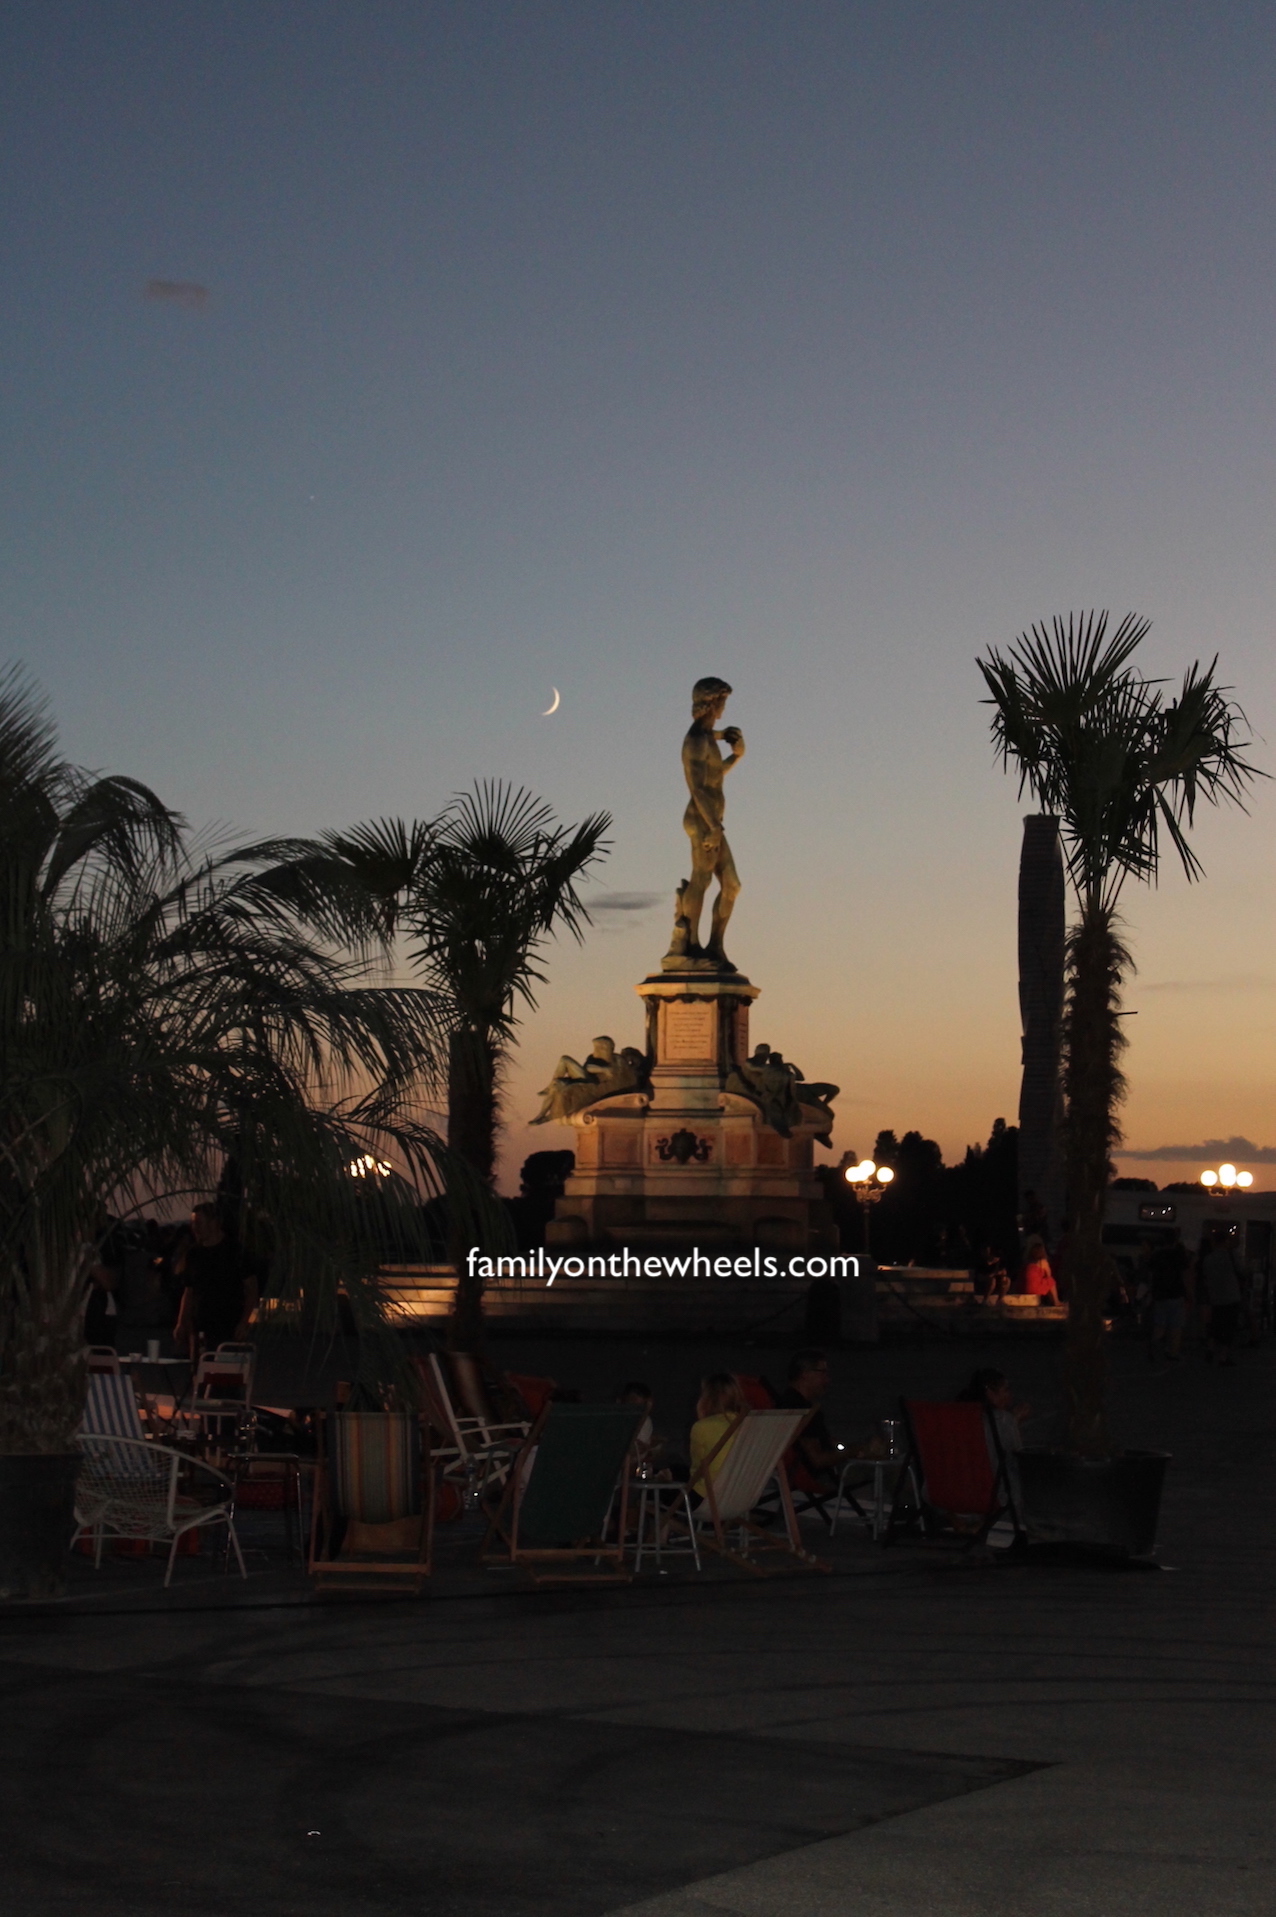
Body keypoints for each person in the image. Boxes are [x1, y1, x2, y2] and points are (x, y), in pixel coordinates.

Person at [173, 1203, 257, 1358]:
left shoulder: (235, 1251)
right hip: (200, 1326)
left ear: (214, 1223)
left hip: (228, 1325)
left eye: (199, 1223)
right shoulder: (194, 1254)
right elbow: (189, 1291)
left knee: (224, 1373)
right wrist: (181, 1322)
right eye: (193, 1223)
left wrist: (245, 1321)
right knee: (199, 1371)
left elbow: (251, 1289)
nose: (195, 1228)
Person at [777, 1349, 841, 1490]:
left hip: (794, 1473)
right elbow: (817, 1460)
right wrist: (858, 1451)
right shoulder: (803, 1412)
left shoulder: (784, 1403)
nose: (827, 1380)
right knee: (888, 1470)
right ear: (805, 1374)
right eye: (823, 1373)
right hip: (822, 1478)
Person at [689, 1373, 746, 1490]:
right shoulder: (747, 1424)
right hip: (741, 1493)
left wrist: (701, 1418)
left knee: (658, 1490)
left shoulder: (702, 1427)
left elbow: (697, 1470)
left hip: (708, 1496)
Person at [1146, 1229, 1192, 1362]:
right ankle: (1173, 1352)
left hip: (1160, 1294)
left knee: (1159, 1324)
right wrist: (1189, 1292)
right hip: (1176, 1293)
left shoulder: (1156, 1255)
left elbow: (1151, 1275)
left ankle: (1154, 1349)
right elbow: (1185, 1275)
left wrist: (1151, 1291)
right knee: (1176, 1326)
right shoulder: (1179, 1255)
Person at [1199, 1227, 1243, 1365]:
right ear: (1225, 1241)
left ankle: (1210, 1350)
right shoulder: (1231, 1255)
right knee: (1229, 1327)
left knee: (1214, 1326)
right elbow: (1241, 1270)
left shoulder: (1208, 1259)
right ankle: (1223, 1357)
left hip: (1215, 1297)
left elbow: (1205, 1276)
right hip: (1231, 1296)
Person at [1021, 1235, 1059, 1305]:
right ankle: (1056, 1302)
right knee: (1051, 1281)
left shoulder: (1028, 1262)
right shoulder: (1042, 1262)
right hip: (1034, 1288)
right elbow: (1048, 1275)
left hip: (1025, 1288)